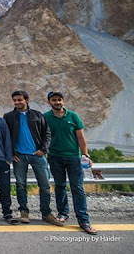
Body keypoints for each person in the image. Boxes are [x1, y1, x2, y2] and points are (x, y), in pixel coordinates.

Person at [3, 90, 61, 226]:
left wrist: (43, 149)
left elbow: (47, 133)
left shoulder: (37, 115)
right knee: (21, 185)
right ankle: (24, 211)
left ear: (27, 100)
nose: (17, 102)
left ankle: (46, 213)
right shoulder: (9, 117)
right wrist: (11, 153)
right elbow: (5, 137)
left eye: (20, 100)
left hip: (37, 155)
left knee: (45, 185)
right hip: (19, 157)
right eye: (15, 100)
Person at [44, 91, 98, 235]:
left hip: (74, 158)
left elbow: (81, 137)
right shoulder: (46, 117)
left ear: (63, 101)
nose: (57, 102)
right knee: (60, 186)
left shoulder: (73, 116)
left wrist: (85, 154)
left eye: (59, 100)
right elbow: (42, 137)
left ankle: (83, 220)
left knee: (77, 188)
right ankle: (63, 214)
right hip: (55, 157)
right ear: (49, 102)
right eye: (54, 100)